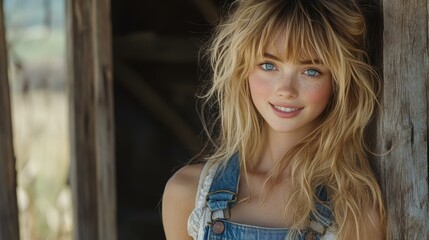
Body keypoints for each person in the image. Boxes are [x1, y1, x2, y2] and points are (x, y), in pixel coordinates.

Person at [162, 0, 386, 239]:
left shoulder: (355, 212)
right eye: (268, 65)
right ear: (243, 69)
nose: (286, 90)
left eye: (311, 71)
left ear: (337, 82)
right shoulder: (187, 194)